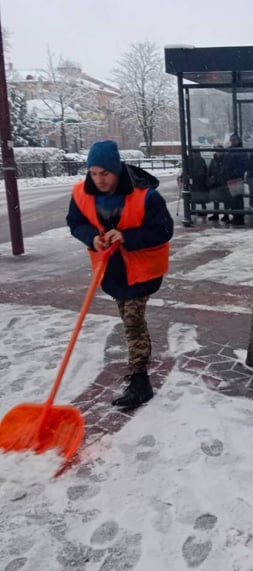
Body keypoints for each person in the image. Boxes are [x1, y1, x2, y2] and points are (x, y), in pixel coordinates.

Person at [67, 139, 174, 409]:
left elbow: (163, 230)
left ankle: (140, 381)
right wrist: (92, 238)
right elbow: (75, 222)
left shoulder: (146, 195)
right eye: (93, 173)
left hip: (141, 269)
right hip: (111, 271)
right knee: (131, 319)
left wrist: (126, 236)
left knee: (132, 320)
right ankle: (141, 365)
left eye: (105, 173)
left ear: (117, 169)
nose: (99, 179)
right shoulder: (81, 194)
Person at [222, 132, 248, 225]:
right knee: (233, 199)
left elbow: (242, 165)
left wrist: (234, 173)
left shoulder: (240, 151)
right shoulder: (230, 150)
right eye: (231, 140)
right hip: (230, 178)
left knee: (237, 198)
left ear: (238, 140)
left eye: (234, 140)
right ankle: (235, 216)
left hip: (236, 178)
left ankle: (239, 218)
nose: (232, 141)